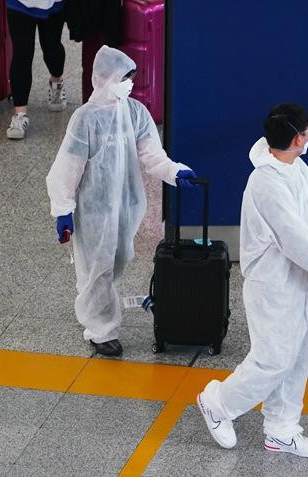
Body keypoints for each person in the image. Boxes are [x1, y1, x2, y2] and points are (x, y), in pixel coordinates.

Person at [197, 104, 308, 458]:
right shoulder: (266, 184)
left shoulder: (295, 167)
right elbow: (300, 245)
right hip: (272, 287)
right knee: (273, 360)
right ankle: (219, 403)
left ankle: (281, 429)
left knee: (297, 357)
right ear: (298, 138)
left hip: (300, 281)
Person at [45, 46, 198, 357]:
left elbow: (152, 155)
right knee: (98, 268)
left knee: (114, 263)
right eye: (124, 78)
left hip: (126, 207)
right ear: (105, 78)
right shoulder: (85, 119)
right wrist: (63, 210)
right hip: (93, 210)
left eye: (131, 78)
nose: (129, 84)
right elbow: (67, 168)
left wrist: (174, 171)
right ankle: (100, 331)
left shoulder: (135, 112)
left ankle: (95, 305)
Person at [5, 0, 68, 140]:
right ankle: (20, 115)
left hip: (53, 4)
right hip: (19, 3)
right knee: (22, 52)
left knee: (52, 48)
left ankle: (56, 81)